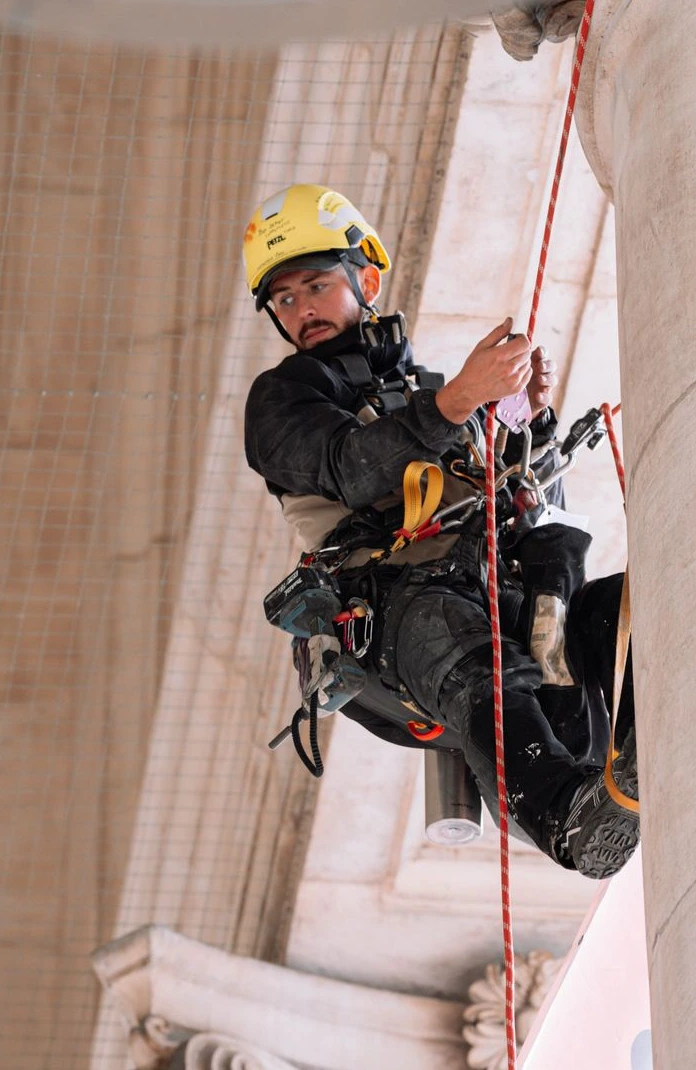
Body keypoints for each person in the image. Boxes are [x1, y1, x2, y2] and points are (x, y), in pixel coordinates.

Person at [243, 183, 639, 879]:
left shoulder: (426, 391)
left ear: (365, 279)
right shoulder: (282, 401)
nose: (301, 309)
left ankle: (648, 753)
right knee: (466, 651)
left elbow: (533, 500)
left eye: (315, 285)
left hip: (500, 588)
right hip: (396, 614)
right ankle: (570, 825)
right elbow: (354, 468)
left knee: (628, 613)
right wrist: (461, 398)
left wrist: (529, 424)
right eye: (284, 299)